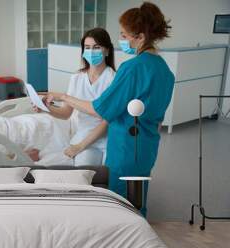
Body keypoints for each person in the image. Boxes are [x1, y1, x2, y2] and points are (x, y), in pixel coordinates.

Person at [43, 2, 174, 216]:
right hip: (148, 143)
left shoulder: (131, 68)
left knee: (119, 201)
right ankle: (139, 232)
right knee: (138, 195)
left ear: (140, 37)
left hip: (126, 144)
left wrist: (63, 96)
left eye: (124, 34)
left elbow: (101, 109)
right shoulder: (164, 70)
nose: (121, 39)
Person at [35, 27, 116, 166]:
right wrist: (45, 108)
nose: (91, 51)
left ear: (107, 50)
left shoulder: (114, 79)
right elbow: (66, 113)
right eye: (87, 47)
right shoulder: (77, 78)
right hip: (82, 137)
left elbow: (107, 121)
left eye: (96, 47)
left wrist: (80, 147)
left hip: (103, 140)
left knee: (85, 172)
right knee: (48, 166)